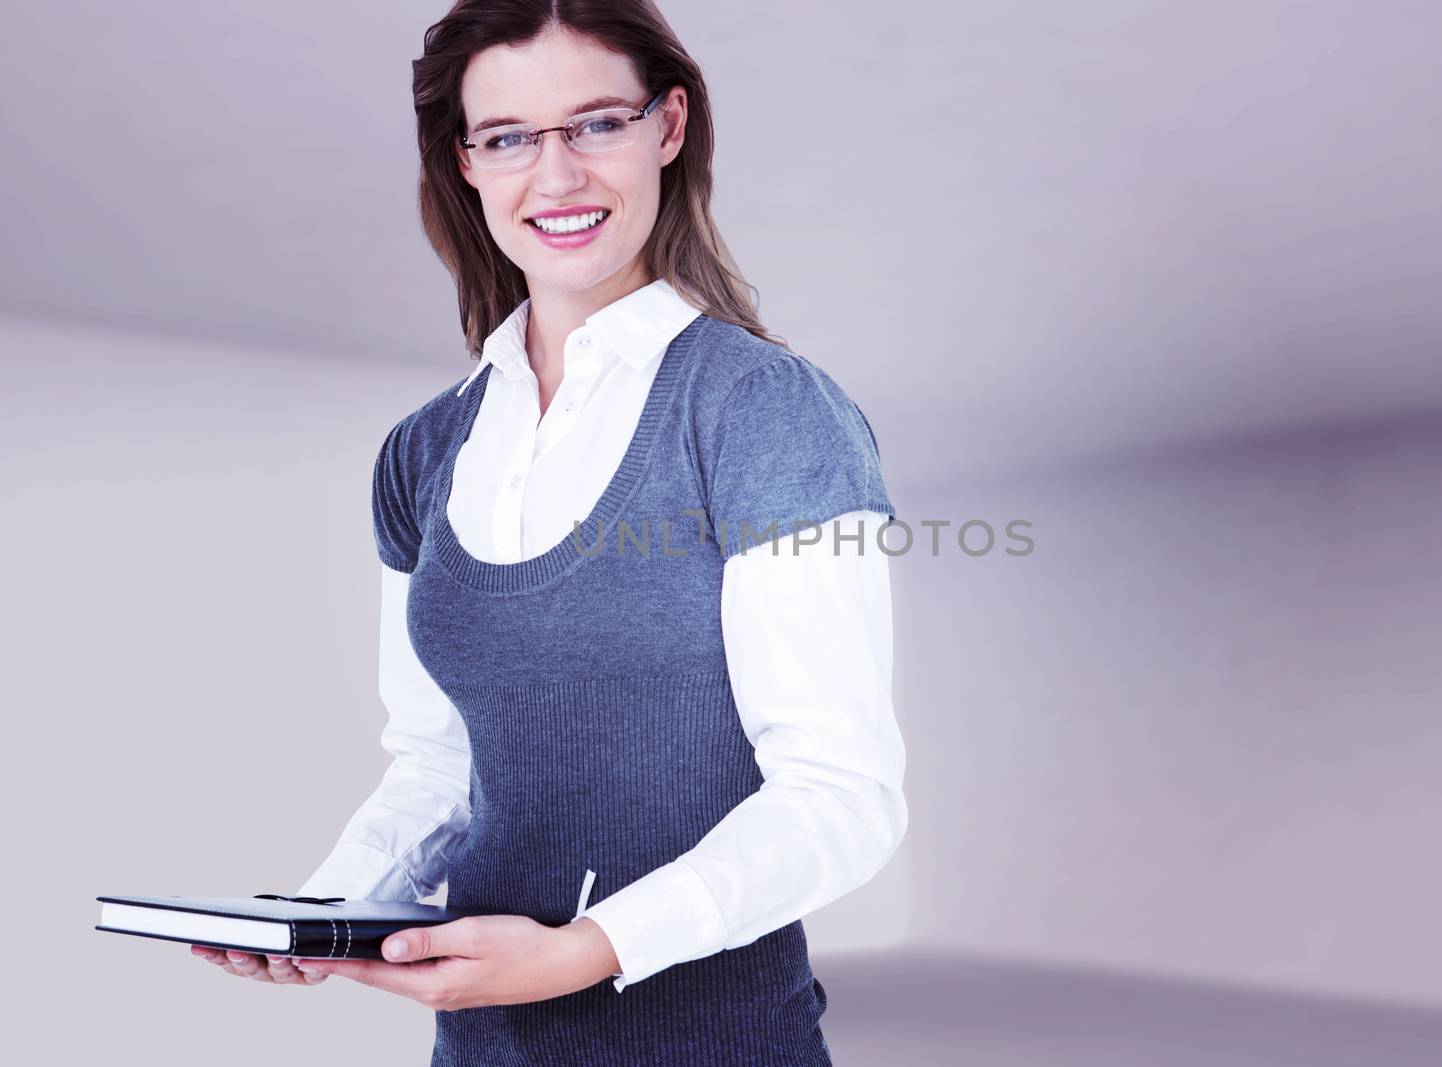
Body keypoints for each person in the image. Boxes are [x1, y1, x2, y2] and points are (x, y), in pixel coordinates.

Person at [189, 2, 907, 1062]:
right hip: (481, 1048)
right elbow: (437, 764)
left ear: (667, 127)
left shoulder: (766, 411)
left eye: (596, 124)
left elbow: (841, 795)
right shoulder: (422, 451)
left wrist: (586, 949)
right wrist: (326, 910)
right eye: (511, 137)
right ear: (466, 162)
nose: (557, 176)